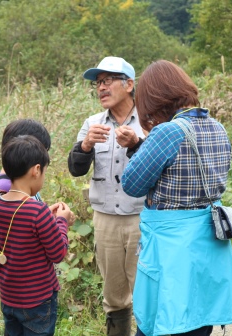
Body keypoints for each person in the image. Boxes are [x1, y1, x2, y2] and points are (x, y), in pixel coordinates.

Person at [120, 60, 232, 336]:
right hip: (207, 242)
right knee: (199, 320)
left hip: (172, 247)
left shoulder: (168, 132)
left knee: (162, 321)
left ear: (154, 99)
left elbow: (132, 184)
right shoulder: (218, 128)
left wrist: (138, 146)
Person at [67, 56, 146, 335]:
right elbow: (76, 169)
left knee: (146, 291)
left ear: (129, 84)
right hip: (105, 219)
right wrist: (86, 144)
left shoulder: (149, 121)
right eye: (98, 82)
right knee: (113, 295)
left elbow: (159, 169)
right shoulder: (93, 123)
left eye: (108, 80)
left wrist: (136, 144)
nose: (101, 87)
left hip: (142, 218)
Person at [0, 135, 72, 336]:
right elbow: (58, 253)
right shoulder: (37, 211)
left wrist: (46, 220)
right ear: (36, 170)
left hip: (9, 297)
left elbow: (19, 229)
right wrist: (61, 221)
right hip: (37, 300)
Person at [0, 118, 75, 225]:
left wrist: (48, 216)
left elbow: (27, 218)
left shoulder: (22, 180)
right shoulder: (5, 187)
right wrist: (61, 222)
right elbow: (21, 230)